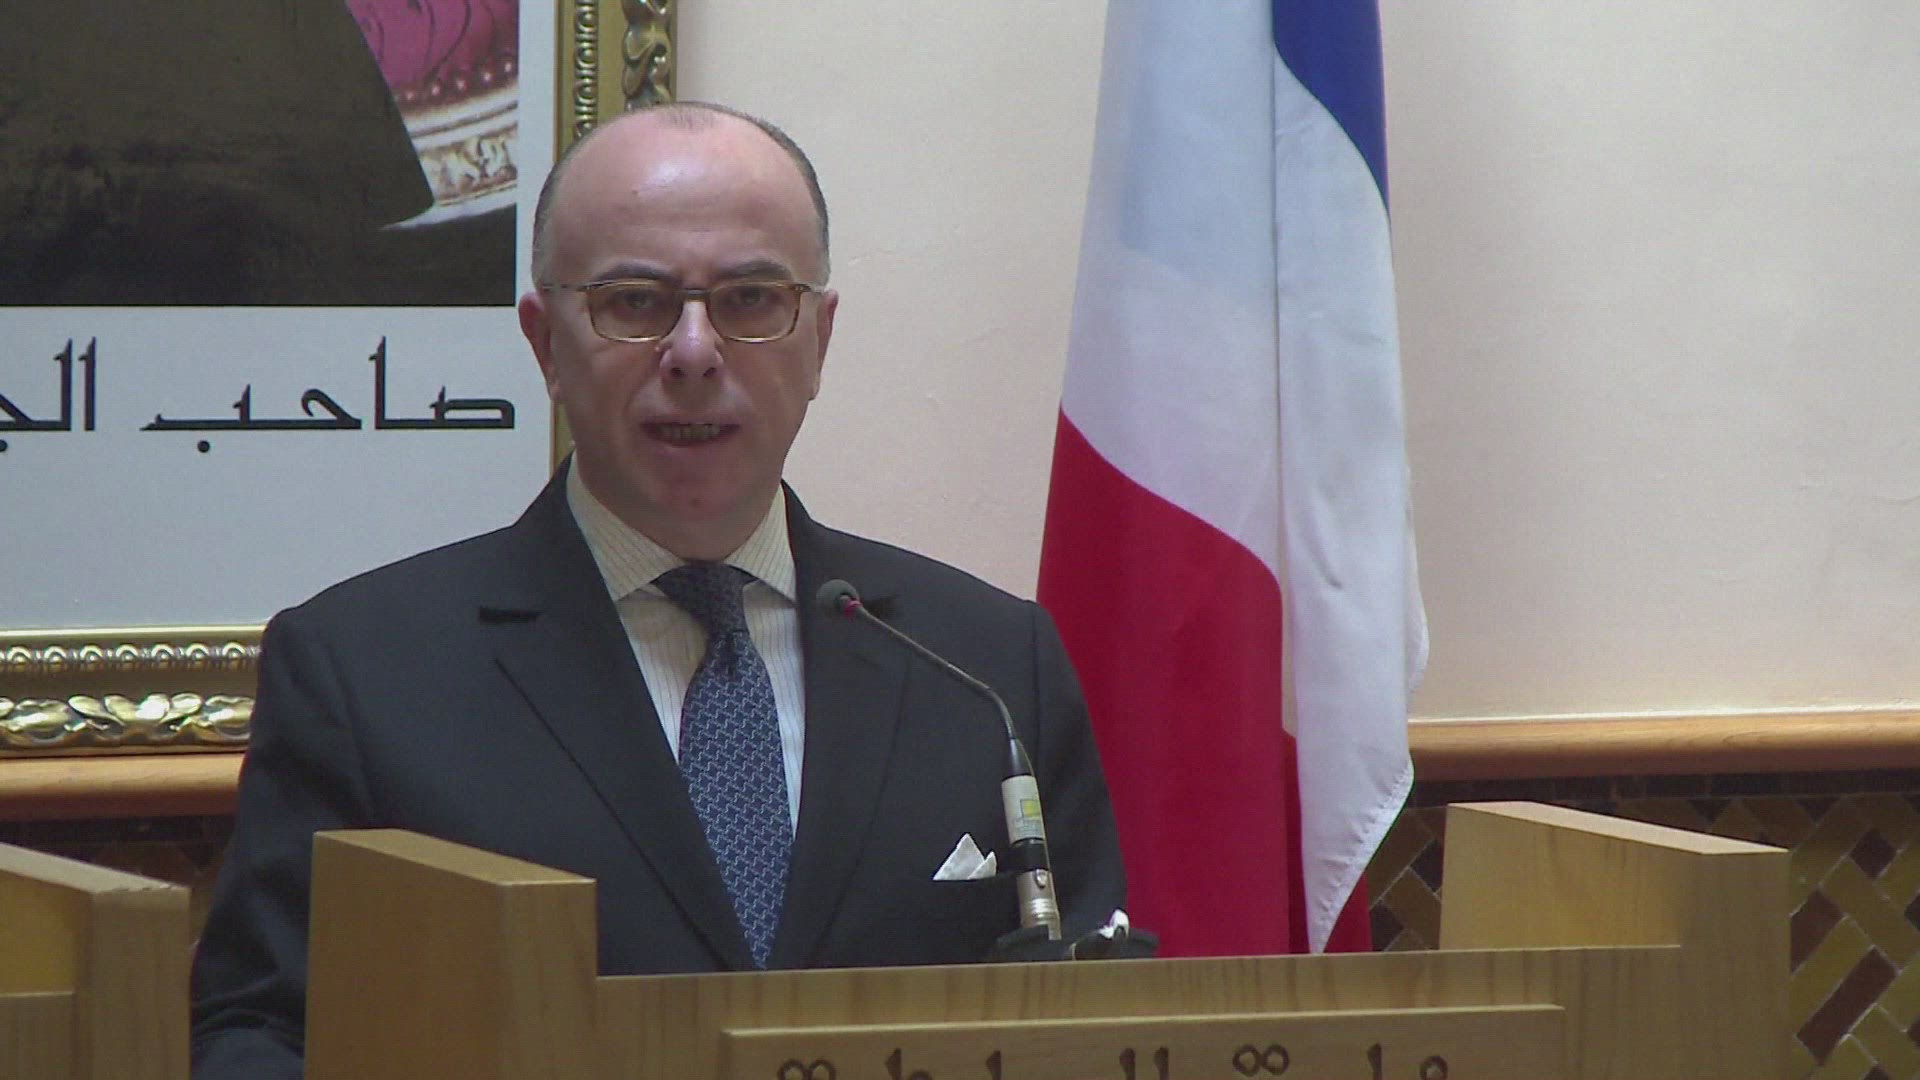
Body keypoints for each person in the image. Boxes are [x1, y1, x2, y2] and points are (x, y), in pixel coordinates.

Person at [188, 102, 1127, 1079]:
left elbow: (1102, 1024)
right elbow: (259, 1036)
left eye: (752, 299)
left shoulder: (987, 666)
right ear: (546, 345)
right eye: (634, 302)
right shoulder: (363, 674)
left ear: (820, 339)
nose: (693, 352)